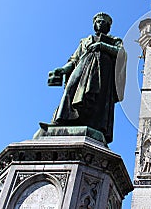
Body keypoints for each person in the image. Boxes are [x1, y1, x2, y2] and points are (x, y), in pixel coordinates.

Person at [49, 12, 126, 143]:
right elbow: (74, 59)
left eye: (104, 22)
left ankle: (93, 126)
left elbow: (122, 53)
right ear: (95, 24)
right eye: (99, 21)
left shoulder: (115, 40)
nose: (101, 24)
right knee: (71, 88)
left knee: (97, 100)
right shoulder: (85, 41)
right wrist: (63, 69)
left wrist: (102, 46)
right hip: (83, 66)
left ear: (108, 26)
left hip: (102, 71)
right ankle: (61, 120)